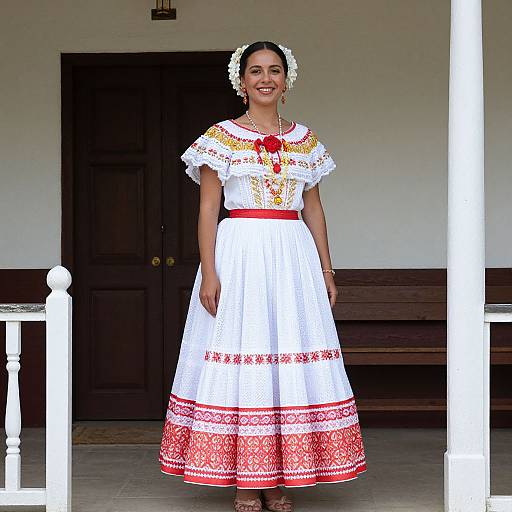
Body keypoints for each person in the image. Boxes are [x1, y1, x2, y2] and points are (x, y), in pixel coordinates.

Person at [159, 41, 366, 512]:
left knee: (286, 356)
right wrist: (209, 272)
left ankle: (280, 478)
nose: (265, 78)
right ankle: (246, 479)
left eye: (274, 70)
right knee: (245, 351)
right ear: (242, 80)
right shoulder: (221, 137)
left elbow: (313, 209)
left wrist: (326, 269)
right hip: (241, 255)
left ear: (287, 80)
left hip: (292, 256)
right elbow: (208, 210)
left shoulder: (305, 141)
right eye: (256, 70)